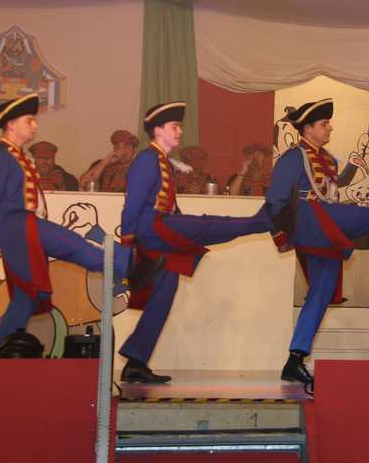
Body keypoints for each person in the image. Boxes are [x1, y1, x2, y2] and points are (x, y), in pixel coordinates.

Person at [0, 93, 160, 358]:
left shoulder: (18, 156)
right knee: (73, 246)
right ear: (11, 124)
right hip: (15, 224)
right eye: (29, 120)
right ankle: (131, 263)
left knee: (27, 298)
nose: (35, 125)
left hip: (26, 225)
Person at [118, 101, 290, 384]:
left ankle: (135, 361)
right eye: (175, 126)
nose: (180, 131)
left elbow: (169, 204)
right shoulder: (147, 160)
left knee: (163, 298)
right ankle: (266, 220)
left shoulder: (161, 160)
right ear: (158, 130)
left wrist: (183, 228)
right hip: (155, 230)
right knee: (210, 224)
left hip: (164, 231)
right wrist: (127, 247)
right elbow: (133, 204)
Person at [266, 98, 369, 386]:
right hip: (311, 221)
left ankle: (295, 359)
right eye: (324, 124)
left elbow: (333, 189)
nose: (330, 128)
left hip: (326, 230)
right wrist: (281, 236)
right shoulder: (292, 158)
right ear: (308, 129)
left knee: (321, 292)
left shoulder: (327, 159)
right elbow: (275, 200)